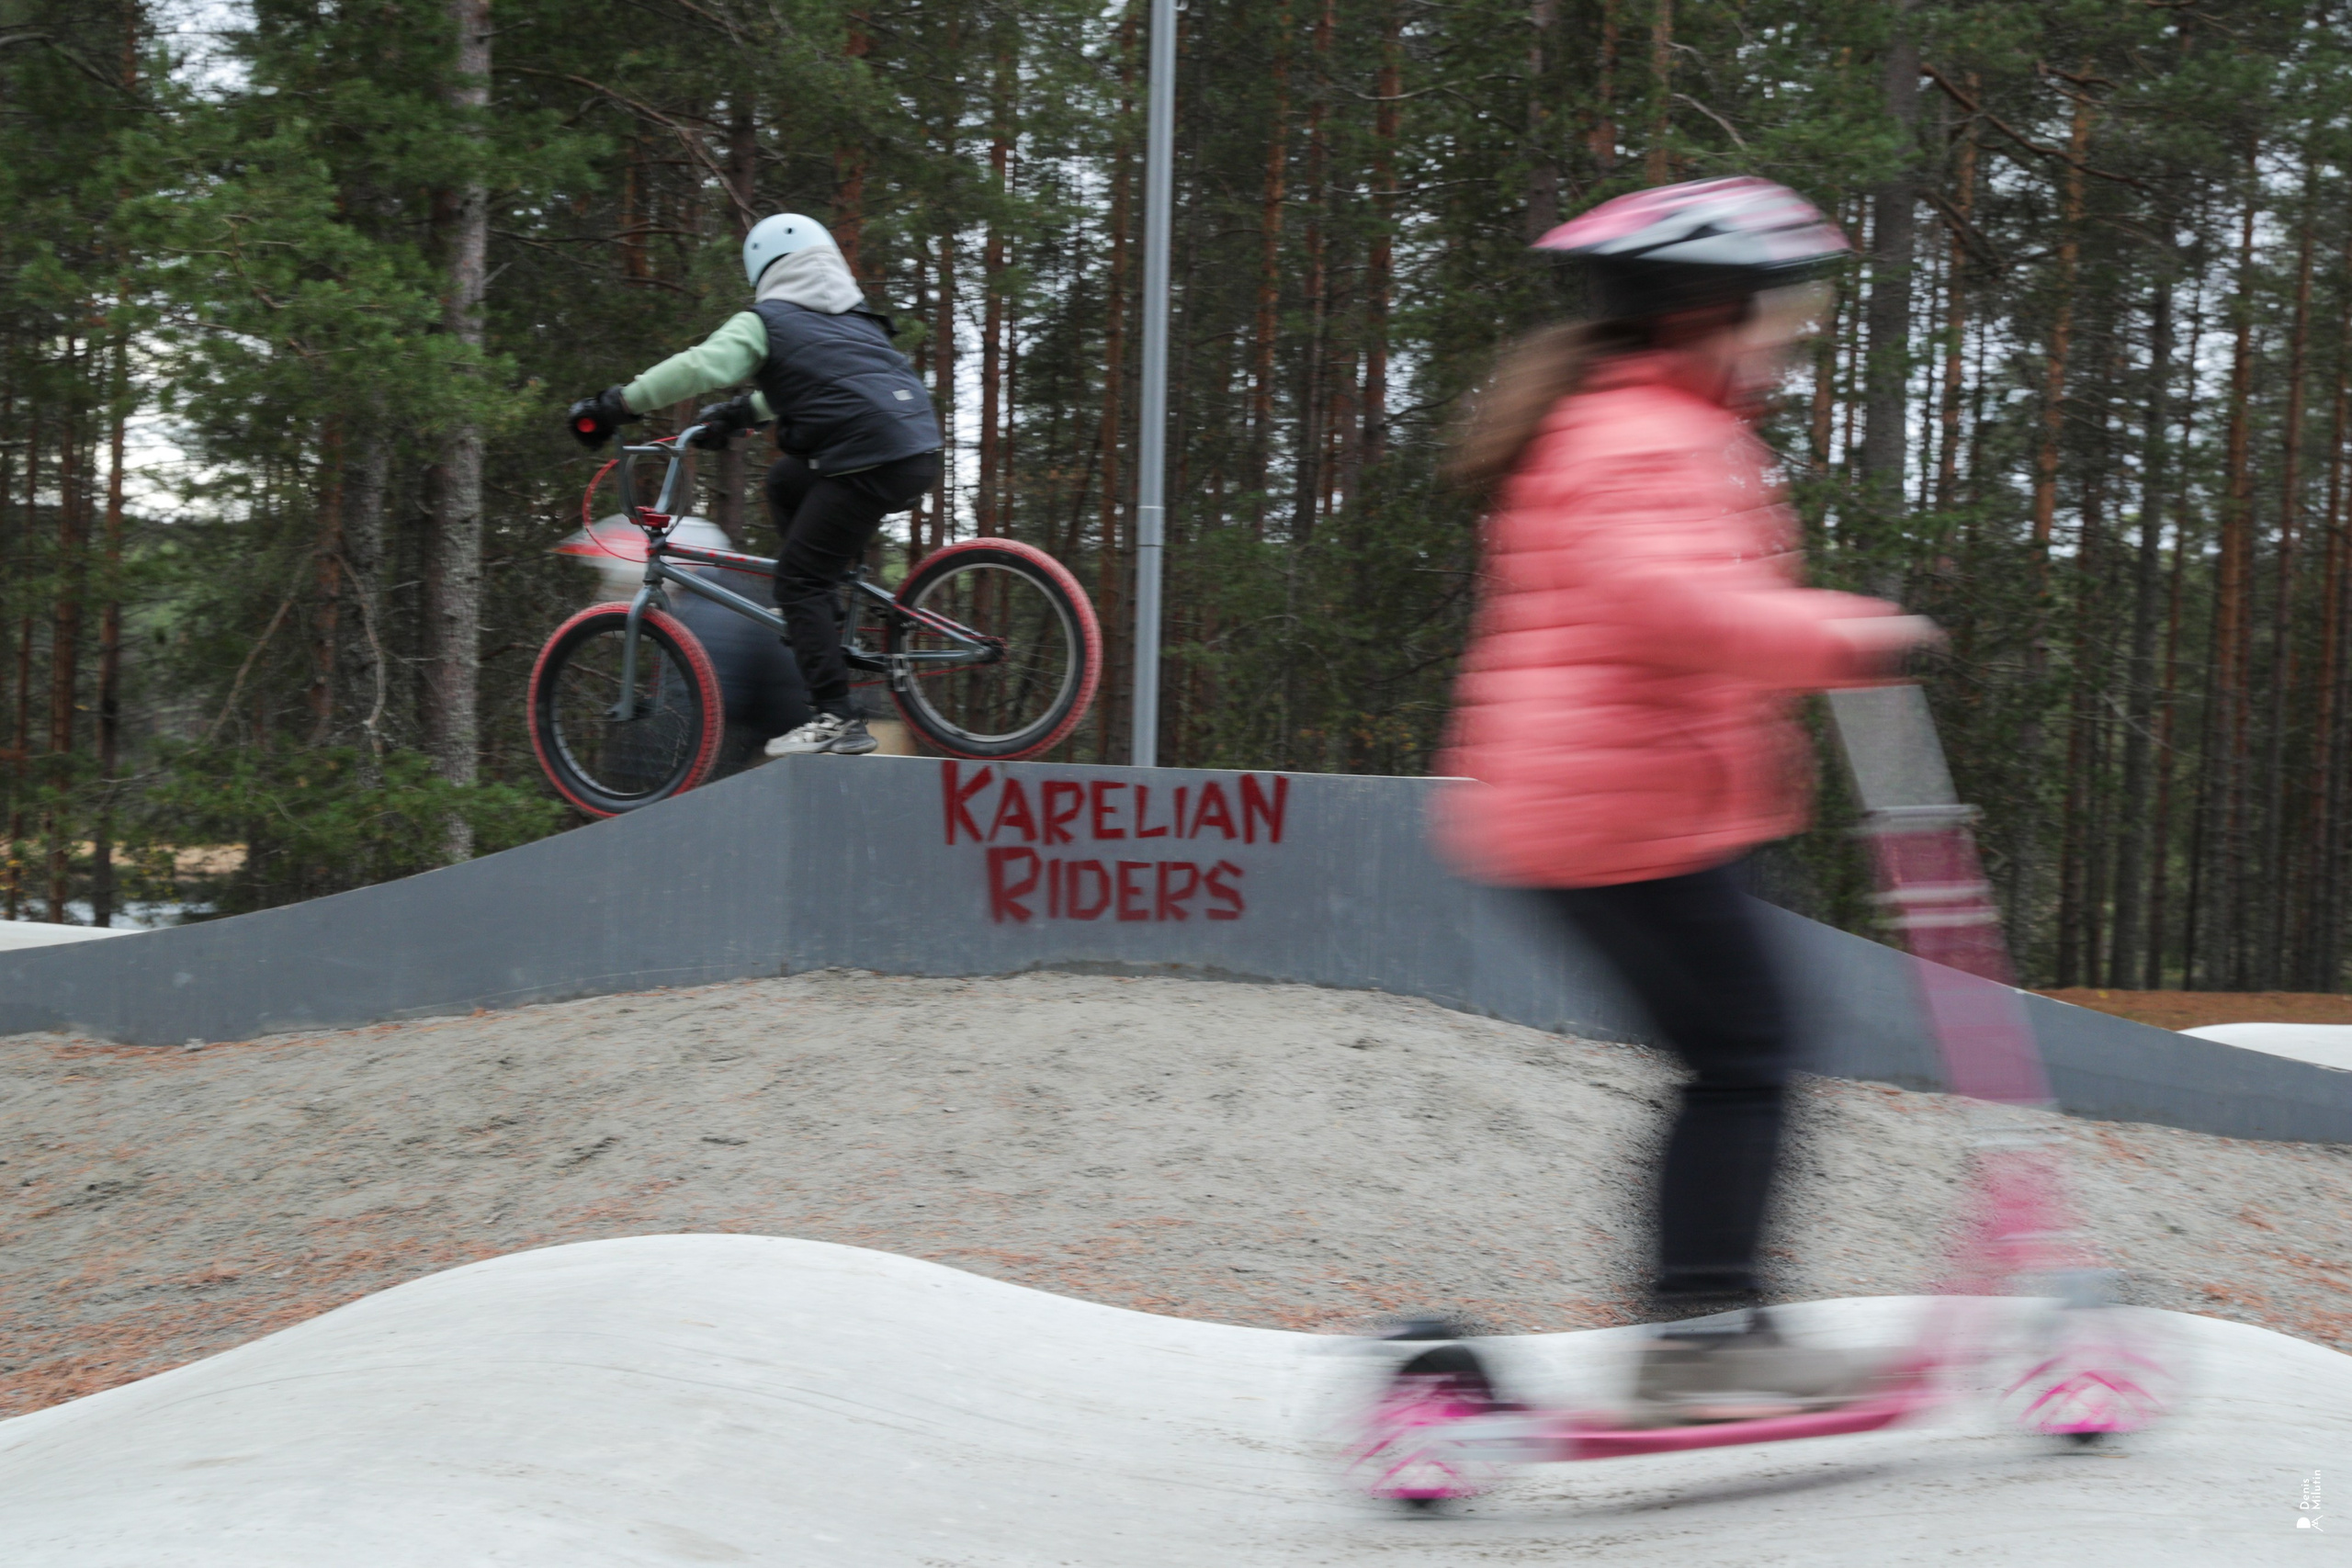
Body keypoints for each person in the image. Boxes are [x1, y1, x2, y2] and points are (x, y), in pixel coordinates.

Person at [1430, 177, 1939, 1427]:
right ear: (1706, 308)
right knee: (1746, 1053)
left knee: (1736, 1050)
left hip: (1630, 805)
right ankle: (1705, 1330)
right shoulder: (1638, 437)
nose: (1791, 333)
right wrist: (1846, 633)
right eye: (1779, 308)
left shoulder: (1650, 421)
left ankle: (1706, 1316)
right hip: (1613, 815)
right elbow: (1662, 602)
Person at [568, 213, 943, 758]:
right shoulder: (856, 321)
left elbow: (701, 365)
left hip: (864, 460)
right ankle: (825, 612)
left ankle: (836, 716)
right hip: (914, 450)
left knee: (798, 582)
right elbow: (824, 384)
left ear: (763, 270)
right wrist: (741, 414)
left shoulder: (767, 321)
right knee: (786, 480)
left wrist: (615, 405)